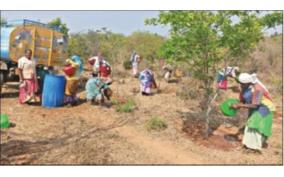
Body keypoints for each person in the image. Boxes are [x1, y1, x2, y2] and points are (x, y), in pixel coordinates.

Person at [230, 73, 275, 153]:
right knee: (251, 125)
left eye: (242, 84)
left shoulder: (257, 89)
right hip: (257, 107)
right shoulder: (247, 86)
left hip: (265, 108)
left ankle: (254, 149)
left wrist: (240, 105)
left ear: (247, 83)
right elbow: (245, 98)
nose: (240, 85)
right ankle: (250, 145)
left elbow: (255, 105)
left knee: (253, 125)